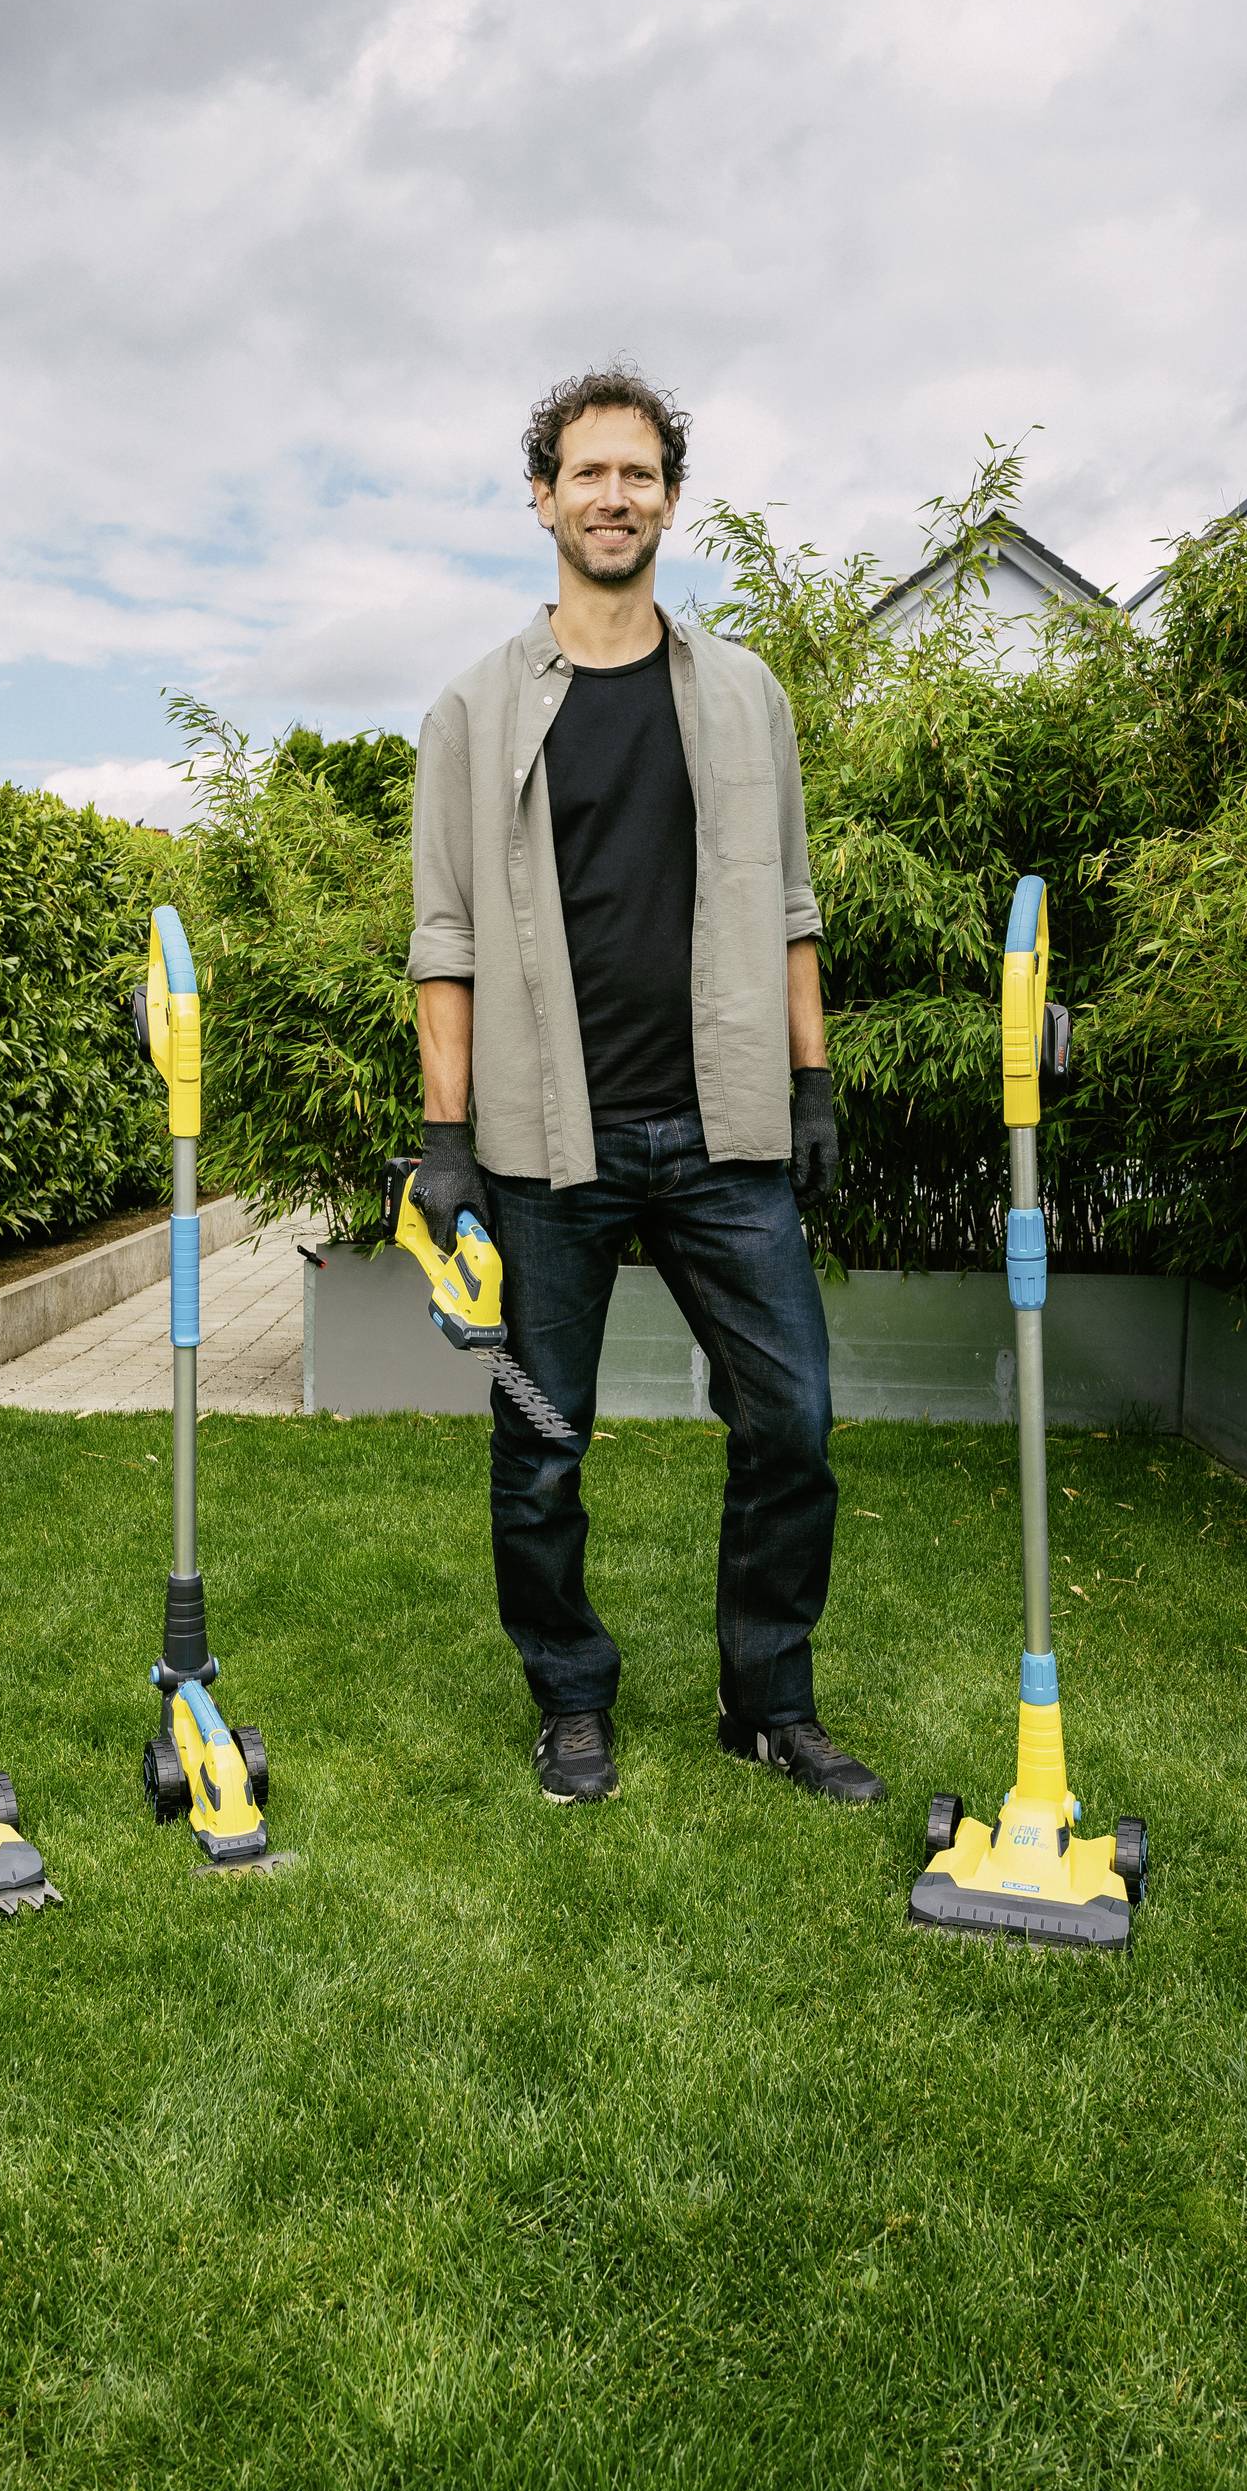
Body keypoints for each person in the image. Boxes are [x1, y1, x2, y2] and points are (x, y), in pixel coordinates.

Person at [408, 365, 887, 1810]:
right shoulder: (474, 711)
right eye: (587, 473)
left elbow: (790, 905)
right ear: (541, 497)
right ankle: (569, 1701)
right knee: (542, 1448)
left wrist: (810, 1089)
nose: (613, 498)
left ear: (670, 497)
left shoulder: (745, 697)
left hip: (724, 1133)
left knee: (791, 1423)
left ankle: (769, 1703)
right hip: (546, 1148)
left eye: (639, 474)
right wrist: (446, 1146)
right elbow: (444, 938)